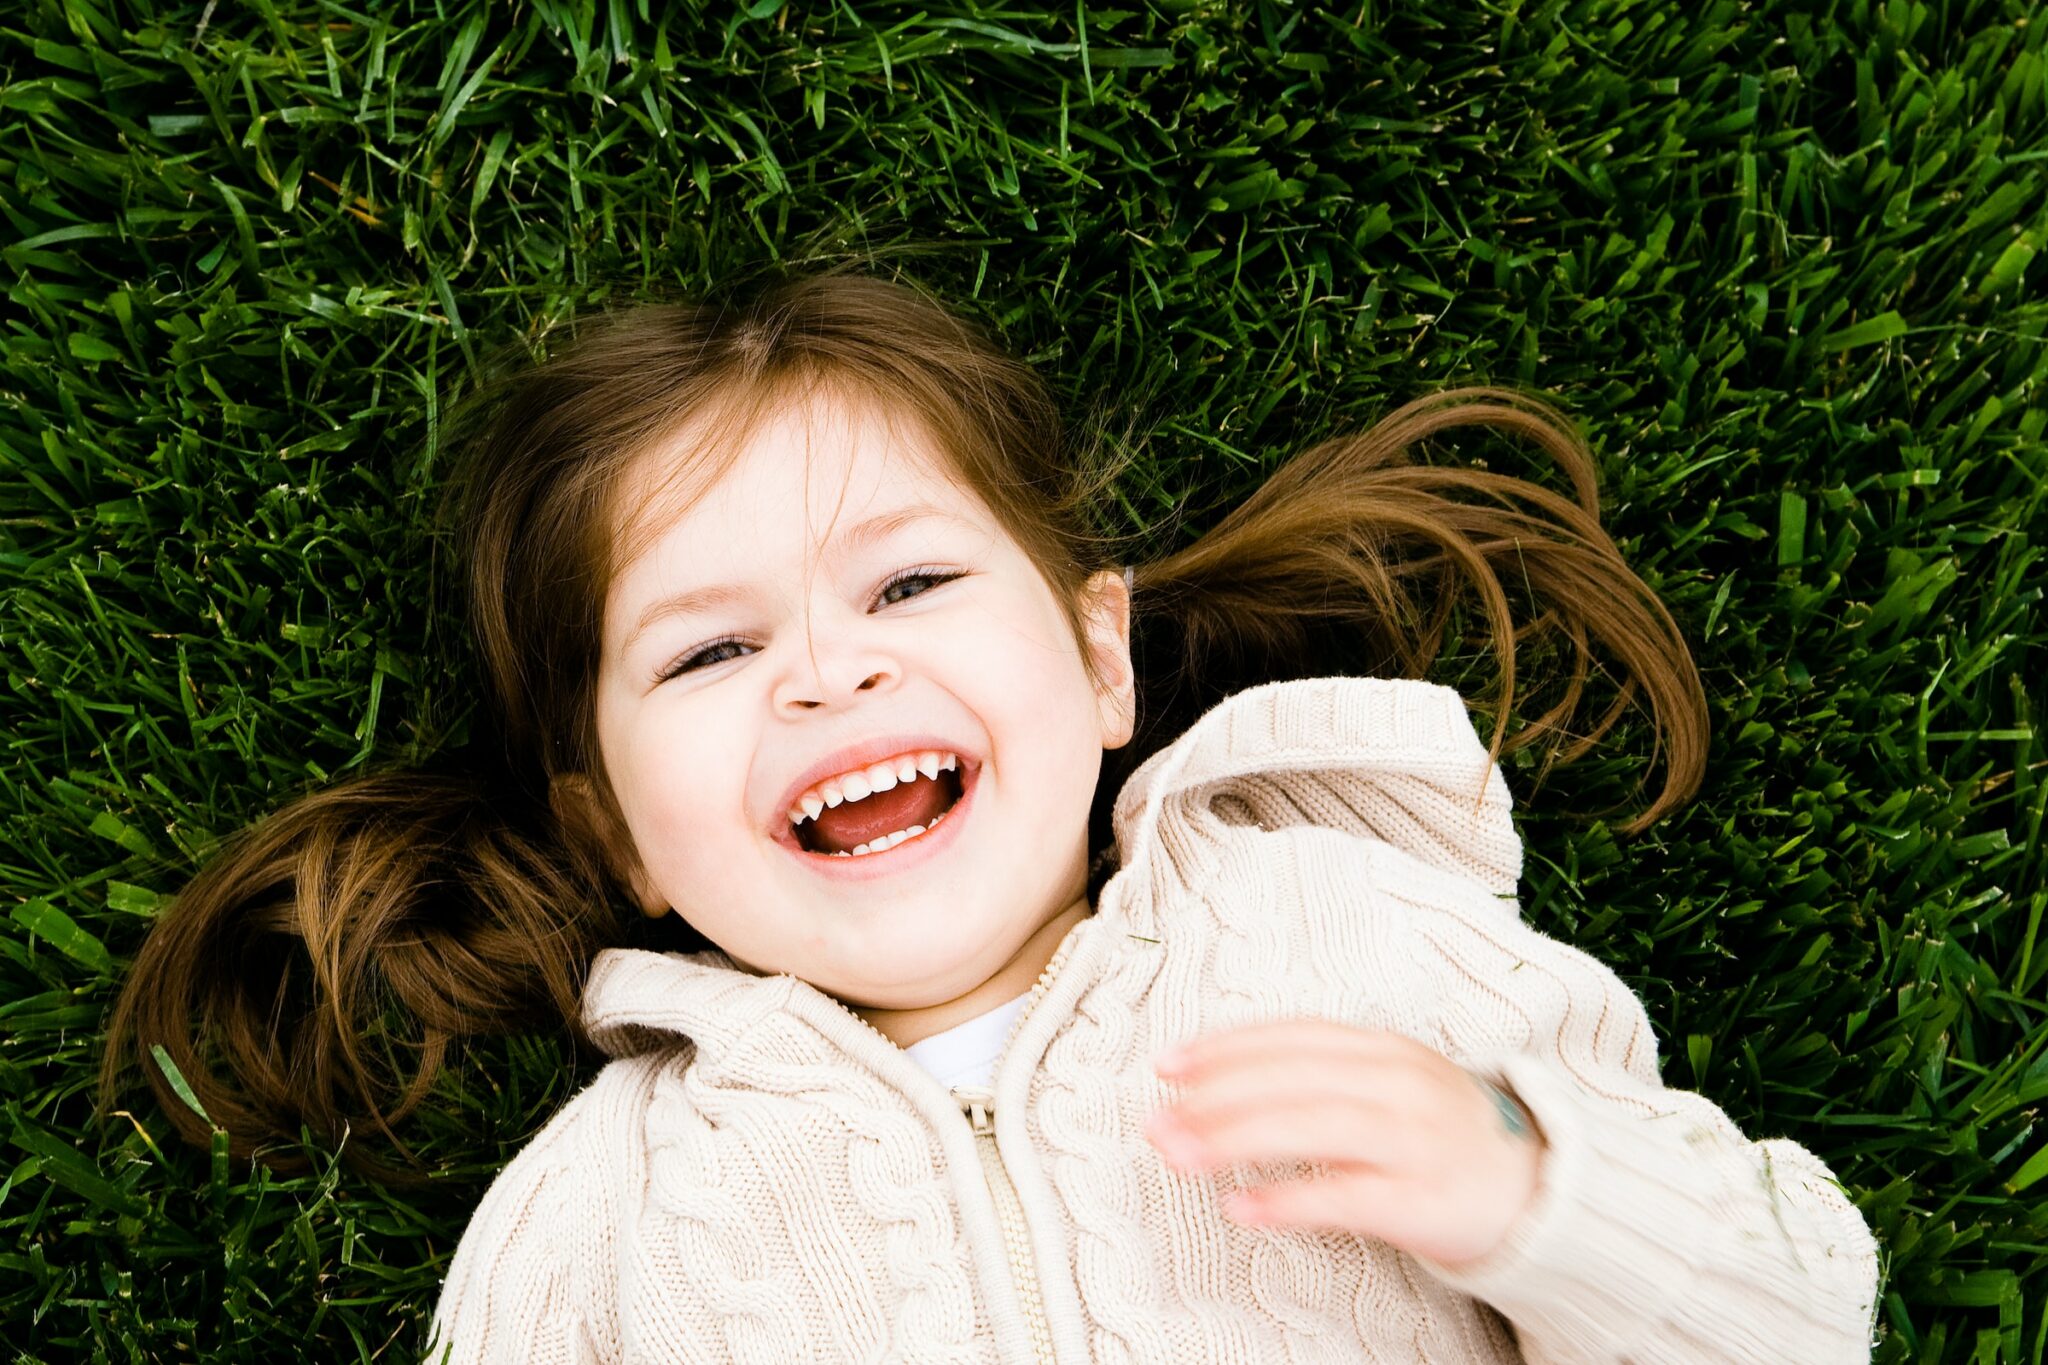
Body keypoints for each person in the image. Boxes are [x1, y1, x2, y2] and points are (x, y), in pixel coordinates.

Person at [104, 271, 1880, 1362]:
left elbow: (1802, 1317)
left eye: (911, 583)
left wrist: (1528, 1186)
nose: (826, 677)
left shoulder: (1345, 938)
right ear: (617, 837)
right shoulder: (602, 1219)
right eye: (712, 646)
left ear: (1102, 660)